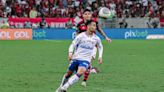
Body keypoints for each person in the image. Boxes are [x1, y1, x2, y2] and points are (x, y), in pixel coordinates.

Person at [56, 20, 103, 92]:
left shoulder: (96, 38)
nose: (95, 27)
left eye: (95, 26)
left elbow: (100, 47)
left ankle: (65, 87)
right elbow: (72, 44)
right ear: (88, 26)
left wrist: (100, 56)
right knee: (68, 74)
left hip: (86, 59)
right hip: (76, 58)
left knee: (80, 72)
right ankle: (60, 87)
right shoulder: (81, 36)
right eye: (93, 25)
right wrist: (70, 53)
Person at [76, 9, 111, 87]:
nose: (88, 15)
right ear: (83, 15)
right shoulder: (80, 24)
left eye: (89, 14)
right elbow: (77, 34)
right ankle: (91, 69)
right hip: (82, 47)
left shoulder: (94, 23)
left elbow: (100, 30)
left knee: (88, 60)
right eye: (86, 14)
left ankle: (85, 78)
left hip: (92, 46)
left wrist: (106, 37)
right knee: (80, 62)